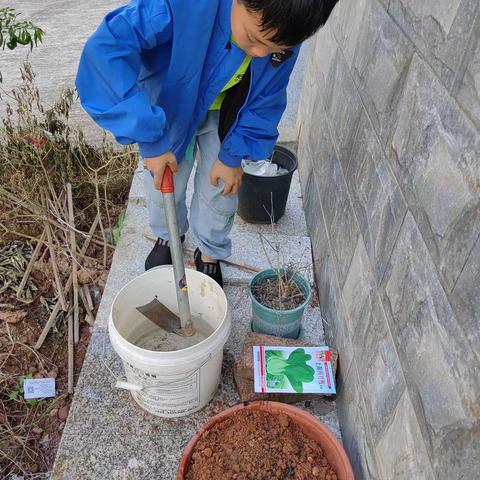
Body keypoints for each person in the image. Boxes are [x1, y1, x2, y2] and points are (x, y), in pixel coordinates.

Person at [76, 0, 339, 288]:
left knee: (221, 189)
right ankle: (169, 236)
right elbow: (105, 53)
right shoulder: (181, 5)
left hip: (228, 116)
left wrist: (233, 156)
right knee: (165, 181)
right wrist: (148, 135)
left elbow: (267, 97)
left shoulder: (283, 30)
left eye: (274, 49)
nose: (261, 54)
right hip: (170, 111)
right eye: (253, 39)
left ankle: (210, 251)